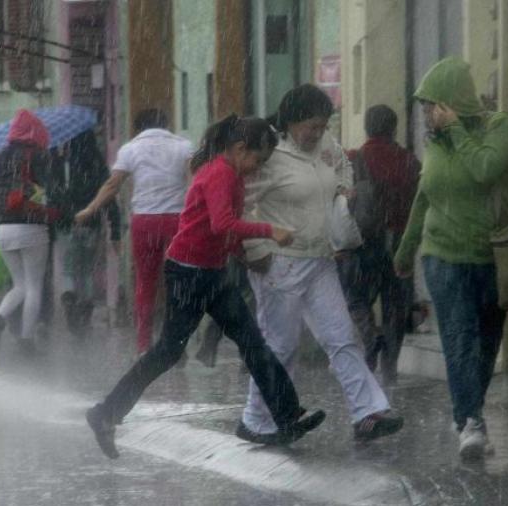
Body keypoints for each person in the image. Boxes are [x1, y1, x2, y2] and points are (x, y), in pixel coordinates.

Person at [84, 115, 325, 459]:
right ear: (240, 149)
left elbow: (222, 232)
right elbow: (222, 222)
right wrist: (269, 230)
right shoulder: (219, 174)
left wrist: (245, 258)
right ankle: (106, 412)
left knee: (252, 341)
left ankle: (287, 415)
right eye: (258, 160)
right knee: (169, 351)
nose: (259, 168)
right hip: (188, 274)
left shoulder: (233, 175)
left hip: (211, 273)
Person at [237, 84, 403, 445]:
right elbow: (242, 204)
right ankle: (256, 420)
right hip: (278, 264)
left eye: (323, 124)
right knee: (280, 345)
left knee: (342, 337)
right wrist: (255, 250)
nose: (318, 133)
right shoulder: (270, 153)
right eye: (311, 125)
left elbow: (343, 163)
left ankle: (367, 412)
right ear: (292, 121)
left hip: (321, 260)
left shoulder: (326, 144)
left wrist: (344, 188)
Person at [393, 57, 508, 459]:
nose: (427, 114)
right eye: (425, 107)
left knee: (485, 343)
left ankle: (467, 412)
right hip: (442, 255)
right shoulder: (436, 143)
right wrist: (406, 249)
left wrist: (459, 130)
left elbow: (485, 168)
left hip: (492, 254)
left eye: (432, 105)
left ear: (454, 103)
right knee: (460, 338)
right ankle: (471, 423)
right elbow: (423, 197)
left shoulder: (500, 127)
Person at [75, 109, 193, 355]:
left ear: (138, 127)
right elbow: (194, 181)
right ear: (166, 123)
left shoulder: (130, 149)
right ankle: (176, 342)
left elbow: (112, 185)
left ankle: (143, 344)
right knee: (178, 282)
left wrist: (90, 208)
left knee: (145, 281)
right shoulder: (184, 146)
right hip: (177, 222)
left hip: (144, 222)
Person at [337, 105, 420, 385]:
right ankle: (390, 369)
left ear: (367, 128)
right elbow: (419, 202)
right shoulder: (409, 160)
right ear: (394, 128)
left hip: (365, 240)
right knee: (395, 306)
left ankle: (370, 336)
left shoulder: (355, 159)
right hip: (400, 241)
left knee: (355, 296)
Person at [0, 109, 59, 350]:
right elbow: (53, 194)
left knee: (19, 285)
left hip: (3, 228)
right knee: (34, 286)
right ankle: (26, 340)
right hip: (32, 226)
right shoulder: (41, 157)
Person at [49, 131, 121, 335]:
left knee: (69, 269)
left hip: (67, 223)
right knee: (87, 270)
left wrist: (63, 215)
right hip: (91, 222)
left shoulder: (61, 163)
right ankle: (85, 313)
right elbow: (110, 196)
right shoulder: (97, 164)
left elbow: (52, 194)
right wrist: (115, 229)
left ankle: (70, 302)